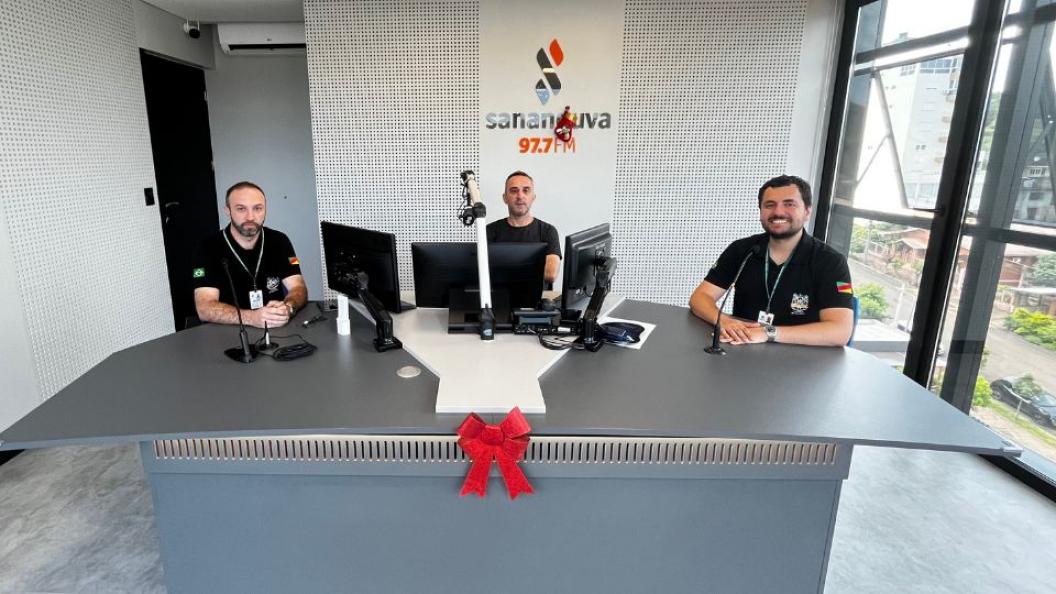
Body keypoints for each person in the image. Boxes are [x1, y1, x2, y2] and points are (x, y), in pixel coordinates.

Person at [689, 175, 854, 347]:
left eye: (789, 204)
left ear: (807, 211)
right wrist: (723, 320)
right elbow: (700, 297)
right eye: (769, 205)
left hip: (801, 355)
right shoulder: (743, 249)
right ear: (760, 211)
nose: (778, 212)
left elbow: (840, 332)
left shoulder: (831, 261)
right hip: (741, 348)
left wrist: (768, 333)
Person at [191, 181, 307, 329]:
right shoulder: (207, 247)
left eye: (257, 208)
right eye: (241, 209)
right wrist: (252, 318)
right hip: (227, 331)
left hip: (275, 328)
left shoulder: (280, 241)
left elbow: (299, 287)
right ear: (228, 210)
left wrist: (288, 307)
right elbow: (204, 308)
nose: (250, 217)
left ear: (265, 209)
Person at [486, 171, 562, 284]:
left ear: (533, 197)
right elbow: (482, 271)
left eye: (526, 190)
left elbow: (550, 274)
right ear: (505, 198)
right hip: (499, 294)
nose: (520, 196)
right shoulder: (490, 231)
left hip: (537, 294)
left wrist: (504, 270)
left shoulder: (547, 231)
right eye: (514, 191)